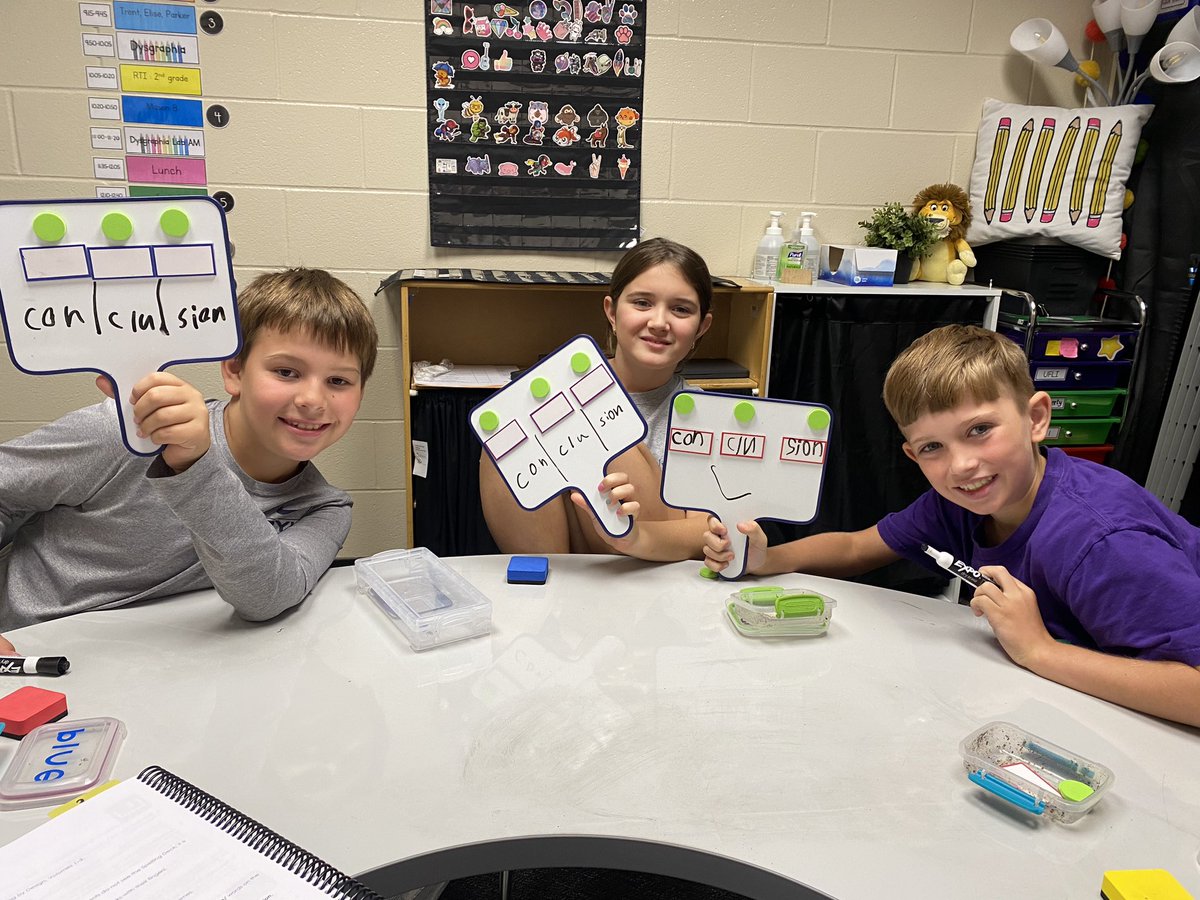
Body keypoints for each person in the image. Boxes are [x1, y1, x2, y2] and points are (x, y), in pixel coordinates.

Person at [703, 324, 1200, 727]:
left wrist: (1038, 651)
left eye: (979, 430)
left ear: (1036, 419)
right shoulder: (963, 503)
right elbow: (859, 547)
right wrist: (768, 560)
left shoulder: (1103, 540)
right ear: (912, 455)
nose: (961, 465)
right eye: (933, 448)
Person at [0, 268, 379, 653]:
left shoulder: (325, 508)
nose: (313, 400)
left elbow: (267, 596)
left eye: (339, 381)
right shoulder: (130, 431)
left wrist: (195, 468)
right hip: (33, 653)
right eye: (286, 372)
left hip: (165, 670)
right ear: (234, 371)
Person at [479, 237, 715, 560]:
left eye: (680, 309)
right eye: (642, 303)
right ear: (612, 313)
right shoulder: (561, 396)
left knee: (608, 433)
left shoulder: (703, 414)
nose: (659, 323)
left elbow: (707, 529)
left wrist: (633, 537)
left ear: (701, 327)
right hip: (569, 572)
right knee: (508, 436)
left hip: (650, 571)